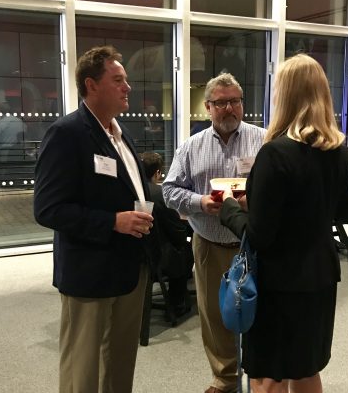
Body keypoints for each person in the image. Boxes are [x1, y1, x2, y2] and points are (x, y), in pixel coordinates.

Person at [219, 54, 348, 393]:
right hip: (321, 276)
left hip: (280, 285)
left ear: (286, 95)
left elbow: (261, 236)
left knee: (270, 373)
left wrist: (229, 209)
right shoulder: (339, 151)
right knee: (306, 368)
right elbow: (342, 213)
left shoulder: (276, 153)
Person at [33, 45, 155, 393]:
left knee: (119, 366)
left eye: (126, 80)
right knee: (82, 371)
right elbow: (47, 208)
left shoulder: (120, 134)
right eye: (118, 80)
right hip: (89, 274)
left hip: (129, 269)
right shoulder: (67, 134)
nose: (127, 87)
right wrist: (112, 222)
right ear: (91, 85)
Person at [162, 72, 266, 393]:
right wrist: (199, 202)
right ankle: (225, 378)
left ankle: (259, 375)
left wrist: (256, 198)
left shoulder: (264, 140)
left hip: (253, 243)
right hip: (209, 244)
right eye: (221, 103)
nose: (229, 108)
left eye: (235, 101)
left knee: (259, 310)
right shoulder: (191, 147)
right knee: (215, 314)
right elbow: (169, 191)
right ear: (208, 107)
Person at [140, 151, 193, 317]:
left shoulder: (133, 191)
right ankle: (178, 302)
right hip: (160, 258)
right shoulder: (160, 194)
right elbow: (177, 231)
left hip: (138, 254)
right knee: (184, 248)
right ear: (157, 173)